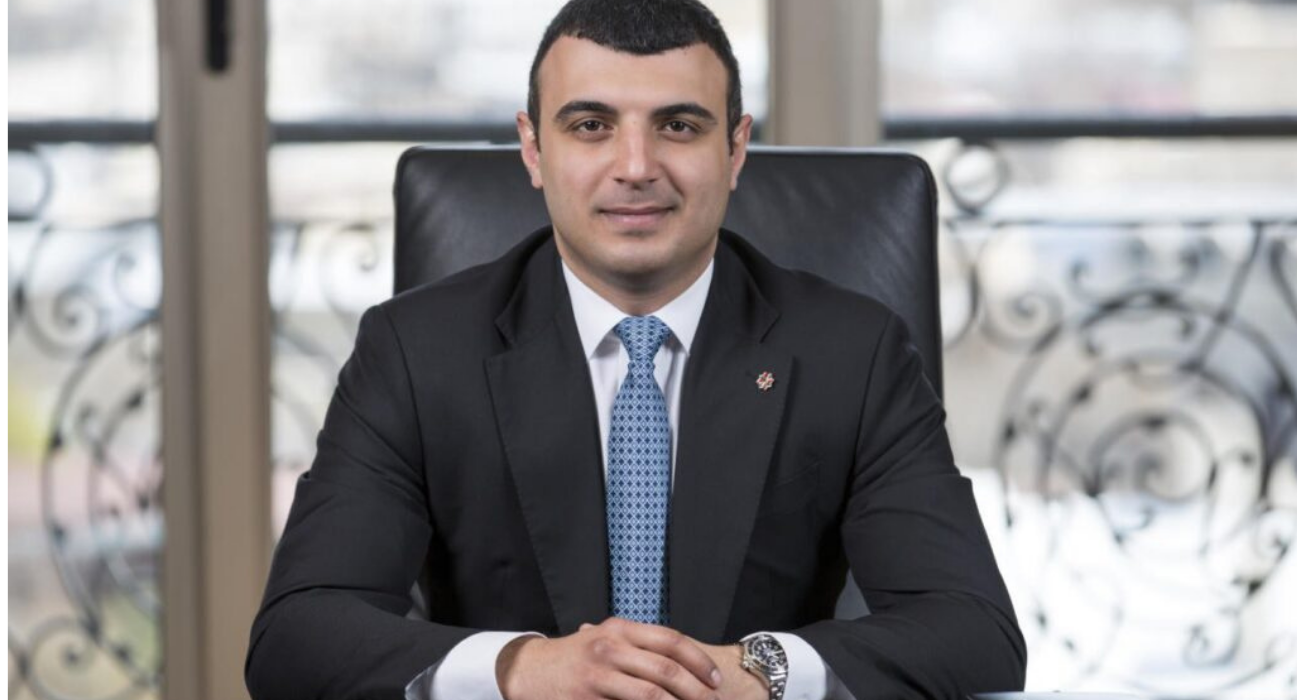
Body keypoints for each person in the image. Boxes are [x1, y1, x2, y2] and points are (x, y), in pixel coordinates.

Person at [245, 1, 1027, 698]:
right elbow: (297, 637)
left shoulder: (854, 353)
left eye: (678, 126)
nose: (636, 168)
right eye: (591, 125)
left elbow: (974, 633)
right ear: (532, 148)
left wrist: (756, 672)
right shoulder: (414, 352)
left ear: (735, 148)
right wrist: (521, 669)